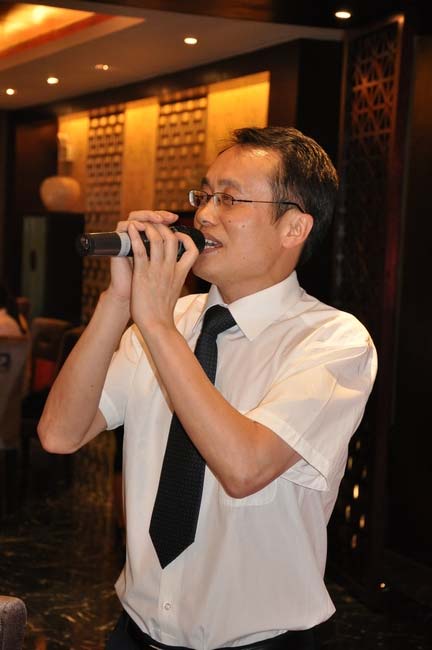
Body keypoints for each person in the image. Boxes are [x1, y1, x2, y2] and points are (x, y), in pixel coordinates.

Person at [38, 126, 377, 650]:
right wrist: (119, 300)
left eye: (230, 199)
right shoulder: (170, 319)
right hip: (135, 634)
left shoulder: (332, 340)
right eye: (205, 195)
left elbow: (244, 468)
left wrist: (156, 325)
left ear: (294, 227)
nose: (204, 216)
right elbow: (60, 434)